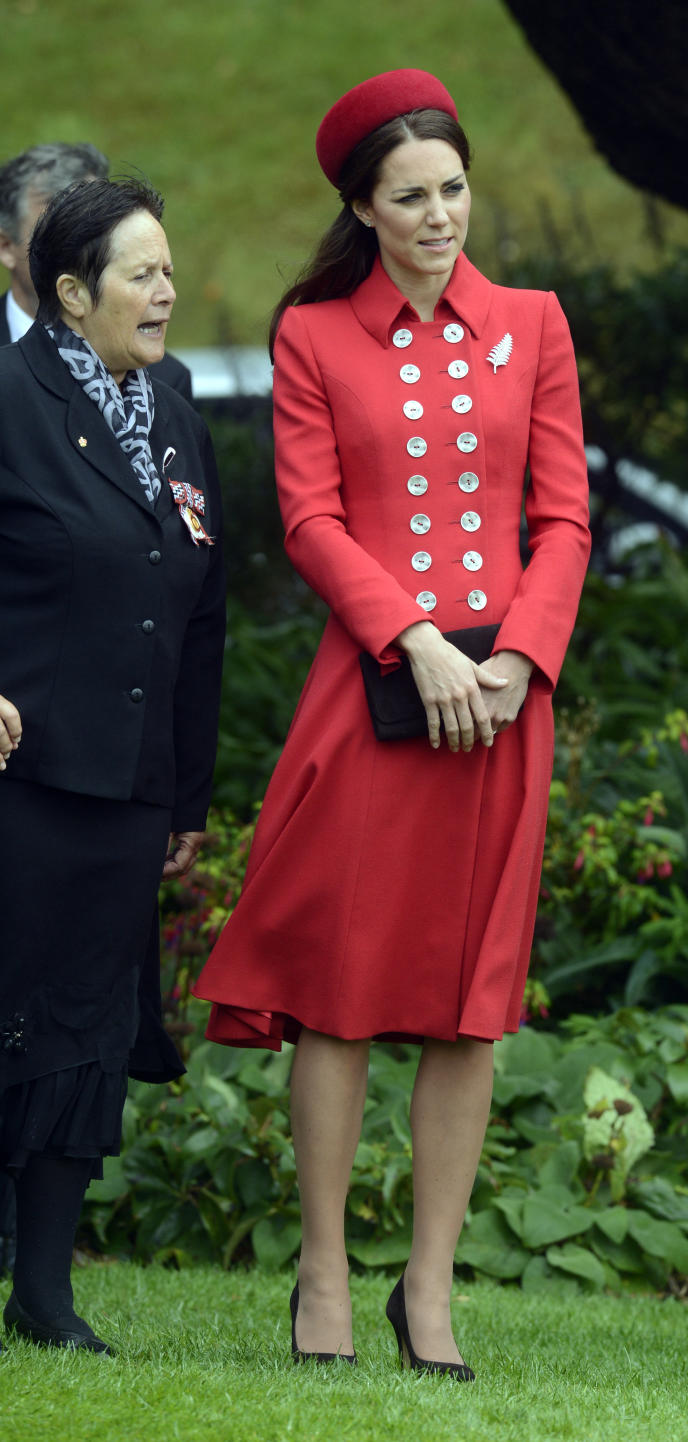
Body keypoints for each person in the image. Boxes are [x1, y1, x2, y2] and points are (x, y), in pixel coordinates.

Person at [193, 68, 590, 1377]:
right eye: (410, 196)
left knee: (466, 1006)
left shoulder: (534, 323)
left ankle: (429, 1290)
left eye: (455, 190)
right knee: (344, 996)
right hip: (370, 696)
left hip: (501, 706)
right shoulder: (312, 338)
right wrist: (414, 635)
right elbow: (308, 517)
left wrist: (520, 659)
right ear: (361, 206)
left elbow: (564, 516)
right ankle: (321, 1275)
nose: (440, 217)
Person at [0, 177, 225, 1353]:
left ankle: (45, 1296)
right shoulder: (8, 395)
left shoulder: (177, 408)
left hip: (128, 789)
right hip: (21, 778)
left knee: (86, 1034)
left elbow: (202, 616)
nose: (167, 291)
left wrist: (185, 794)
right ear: (71, 292)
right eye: (143, 273)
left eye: (171, 269)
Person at [0, 142, 193, 398]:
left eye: (94, 228)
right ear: (5, 246)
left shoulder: (168, 381)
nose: (78, 247)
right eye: (55, 231)